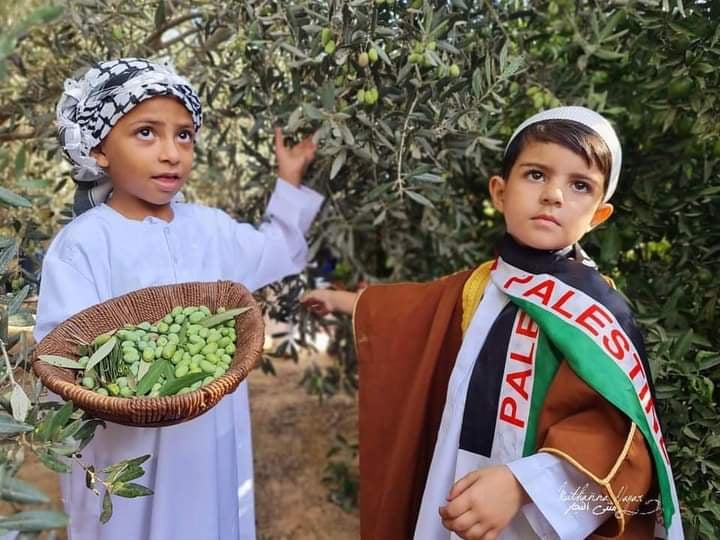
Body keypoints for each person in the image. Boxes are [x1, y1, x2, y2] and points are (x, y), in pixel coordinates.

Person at [301, 106, 683, 539]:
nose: (554, 195)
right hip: (451, 491)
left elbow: (617, 440)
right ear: (500, 192)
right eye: (536, 174)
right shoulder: (480, 284)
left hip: (534, 519)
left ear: (597, 215)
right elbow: (412, 313)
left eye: (580, 185)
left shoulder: (596, 315)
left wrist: (523, 486)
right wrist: (343, 300)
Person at [35, 57, 324, 540]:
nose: (172, 153)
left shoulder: (210, 228)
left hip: (209, 440)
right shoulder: (84, 243)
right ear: (100, 148)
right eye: (146, 133)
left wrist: (289, 180)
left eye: (184, 135)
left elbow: (275, 251)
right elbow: (62, 355)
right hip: (126, 452)